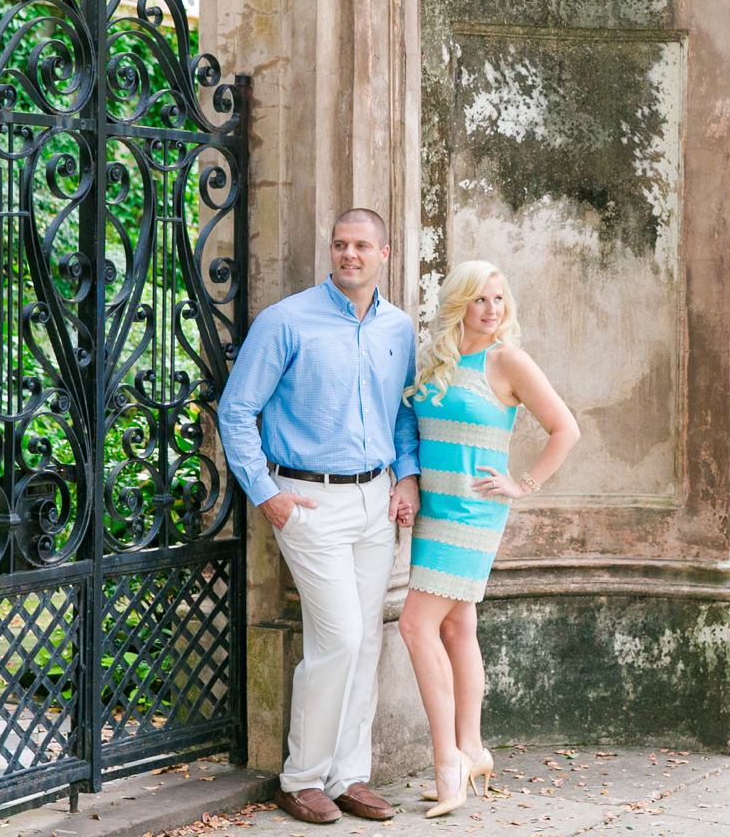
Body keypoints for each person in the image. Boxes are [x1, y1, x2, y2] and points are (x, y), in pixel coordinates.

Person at [218, 208, 421, 825]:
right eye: (339, 245)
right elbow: (236, 410)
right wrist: (267, 495)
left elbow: (402, 413)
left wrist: (406, 476)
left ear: (384, 253)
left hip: (375, 501)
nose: (348, 255)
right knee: (338, 637)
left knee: (364, 644)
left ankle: (347, 775)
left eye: (361, 246)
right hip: (306, 501)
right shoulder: (287, 321)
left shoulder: (399, 328)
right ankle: (300, 777)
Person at [397, 260, 580, 818]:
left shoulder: (508, 360)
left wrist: (521, 484)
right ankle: (472, 747)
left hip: (473, 514)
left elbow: (565, 428)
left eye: (499, 299)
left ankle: (446, 760)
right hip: (434, 511)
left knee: (413, 624)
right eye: (480, 300)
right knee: (456, 624)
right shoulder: (436, 360)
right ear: (459, 304)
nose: (492, 310)